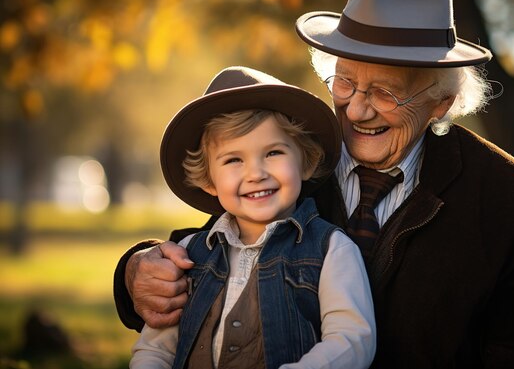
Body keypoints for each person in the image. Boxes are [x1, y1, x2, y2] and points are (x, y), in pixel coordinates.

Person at [114, 0, 514, 368]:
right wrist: (136, 270)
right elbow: (218, 250)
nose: (357, 111)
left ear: (442, 102)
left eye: (386, 93)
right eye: (345, 82)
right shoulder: (292, 156)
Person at [128, 66, 376, 369]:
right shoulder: (188, 253)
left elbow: (351, 340)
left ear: (306, 163)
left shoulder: (331, 249)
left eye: (273, 153)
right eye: (234, 160)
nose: (256, 174)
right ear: (209, 182)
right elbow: (155, 349)